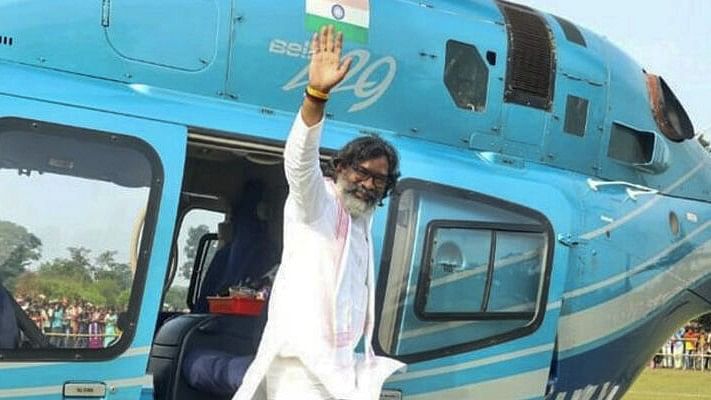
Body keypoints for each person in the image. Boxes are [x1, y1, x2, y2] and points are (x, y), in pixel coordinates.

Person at [233, 25, 404, 400]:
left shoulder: (360, 222)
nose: (369, 183)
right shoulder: (317, 205)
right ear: (340, 168)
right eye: (361, 171)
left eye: (379, 179)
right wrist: (317, 96)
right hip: (300, 370)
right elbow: (298, 162)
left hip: (336, 369)